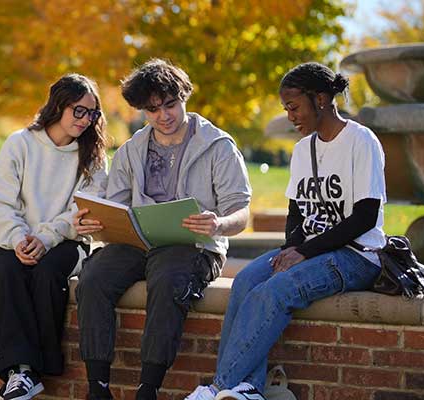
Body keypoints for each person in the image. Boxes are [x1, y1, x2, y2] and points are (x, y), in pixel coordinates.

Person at [183, 62, 387, 400]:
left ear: (321, 99)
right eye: (286, 109)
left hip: (356, 255)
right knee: (247, 280)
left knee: (276, 290)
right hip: (312, 250)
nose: (291, 117)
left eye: (294, 107)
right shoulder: (302, 149)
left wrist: (303, 252)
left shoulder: (360, 141)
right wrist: (291, 248)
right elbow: (296, 212)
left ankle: (219, 387)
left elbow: (366, 216)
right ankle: (247, 389)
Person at [73, 58, 252, 400]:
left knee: (168, 280)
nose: (163, 116)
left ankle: (148, 388)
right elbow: (118, 206)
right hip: (138, 243)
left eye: (170, 104)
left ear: (184, 96)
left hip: (196, 246)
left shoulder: (218, 146)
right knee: (93, 277)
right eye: (153, 110)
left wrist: (218, 223)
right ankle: (98, 386)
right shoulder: (131, 150)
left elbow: (240, 213)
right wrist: (96, 223)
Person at [0, 73, 109, 400]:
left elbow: (83, 212)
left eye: (91, 113)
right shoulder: (19, 144)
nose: (86, 120)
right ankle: (20, 372)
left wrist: (46, 238)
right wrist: (19, 238)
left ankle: (42, 367)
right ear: (58, 106)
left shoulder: (92, 155)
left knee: (48, 272)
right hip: (17, 239)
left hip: (68, 242)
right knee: (6, 269)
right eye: (78, 111)